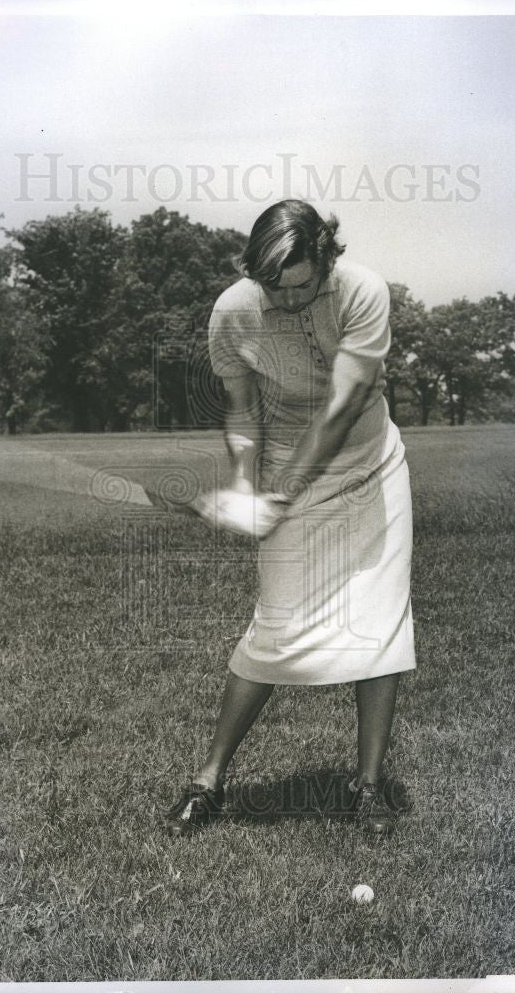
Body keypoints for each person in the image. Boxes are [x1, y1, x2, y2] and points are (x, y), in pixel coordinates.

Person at [163, 199, 416, 837]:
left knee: (380, 625)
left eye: (302, 286)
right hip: (282, 464)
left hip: (368, 462)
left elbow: (342, 404)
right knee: (273, 629)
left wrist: (279, 495)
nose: (289, 300)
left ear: (327, 257)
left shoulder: (362, 291)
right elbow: (243, 411)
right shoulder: (233, 310)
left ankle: (367, 789)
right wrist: (248, 486)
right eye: (274, 287)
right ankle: (209, 781)